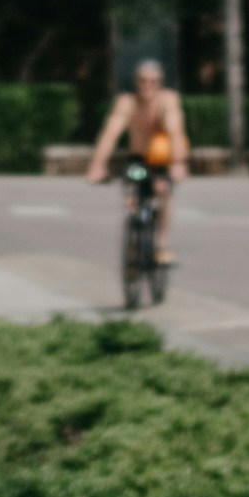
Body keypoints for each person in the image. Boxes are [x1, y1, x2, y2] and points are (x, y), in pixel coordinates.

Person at [77, 48, 191, 313]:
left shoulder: (168, 100)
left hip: (162, 163)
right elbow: (110, 132)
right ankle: (132, 257)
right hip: (139, 163)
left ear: (160, 83)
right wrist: (97, 165)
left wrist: (178, 163)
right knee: (131, 190)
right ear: (136, 82)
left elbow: (175, 130)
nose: (147, 86)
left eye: (153, 81)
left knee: (162, 190)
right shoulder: (127, 102)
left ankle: (162, 243)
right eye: (143, 81)